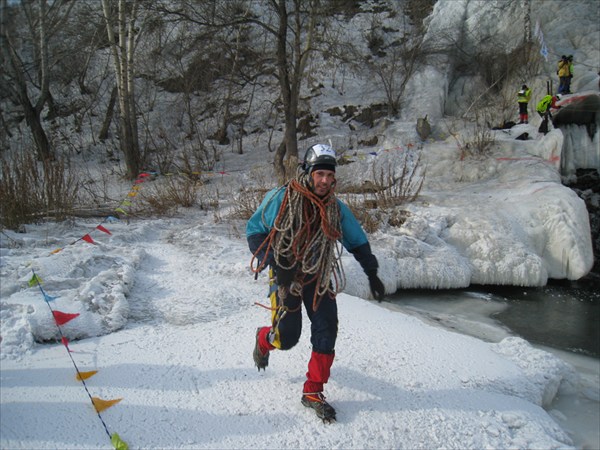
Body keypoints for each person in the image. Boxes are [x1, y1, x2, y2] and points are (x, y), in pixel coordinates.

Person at [247, 143, 385, 422]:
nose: (324, 180)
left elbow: (357, 241)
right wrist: (275, 262)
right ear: (308, 173)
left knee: (326, 331)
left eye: (329, 175)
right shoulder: (282, 198)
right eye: (319, 174)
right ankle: (264, 339)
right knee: (287, 337)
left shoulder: (335, 208)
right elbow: (254, 231)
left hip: (318, 276)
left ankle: (312, 391)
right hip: (286, 277)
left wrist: (372, 273)